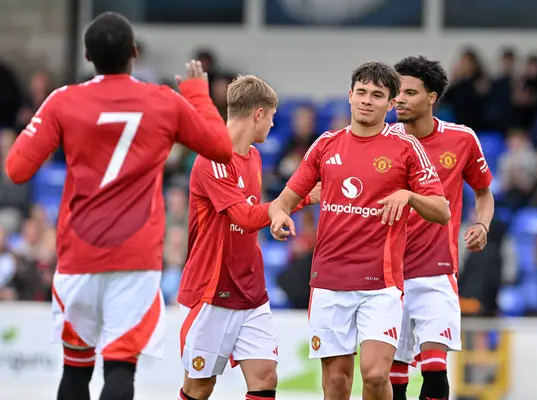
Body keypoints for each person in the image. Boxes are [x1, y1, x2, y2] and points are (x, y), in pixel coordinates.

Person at [4, 12, 233, 400]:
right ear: (134, 53)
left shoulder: (64, 100)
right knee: (120, 365)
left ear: (87, 55)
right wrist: (196, 93)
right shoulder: (164, 101)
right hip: (136, 256)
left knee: (76, 366)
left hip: (79, 254)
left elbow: (16, 169)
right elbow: (222, 149)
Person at [268, 62, 451, 400]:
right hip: (329, 283)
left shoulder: (407, 149)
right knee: (336, 384)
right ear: (350, 96)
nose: (367, 100)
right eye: (362, 93)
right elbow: (282, 201)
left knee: (375, 375)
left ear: (391, 103)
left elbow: (442, 210)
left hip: (380, 285)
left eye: (378, 95)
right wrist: (280, 217)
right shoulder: (325, 145)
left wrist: (409, 195)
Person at [177, 74, 320, 400]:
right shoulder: (211, 159)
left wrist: (288, 208)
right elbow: (242, 215)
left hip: (251, 291)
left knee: (265, 378)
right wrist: (299, 198)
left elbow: (255, 215)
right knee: (200, 387)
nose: (272, 126)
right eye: (270, 117)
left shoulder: (254, 157)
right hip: (212, 291)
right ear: (258, 113)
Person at [389, 56, 494, 400]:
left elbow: (483, 192)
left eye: (409, 92)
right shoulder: (382, 140)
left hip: (436, 270)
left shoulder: (462, 139)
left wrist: (482, 223)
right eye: (396, 92)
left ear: (431, 97)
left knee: (434, 365)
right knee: (394, 375)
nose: (398, 99)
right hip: (387, 273)